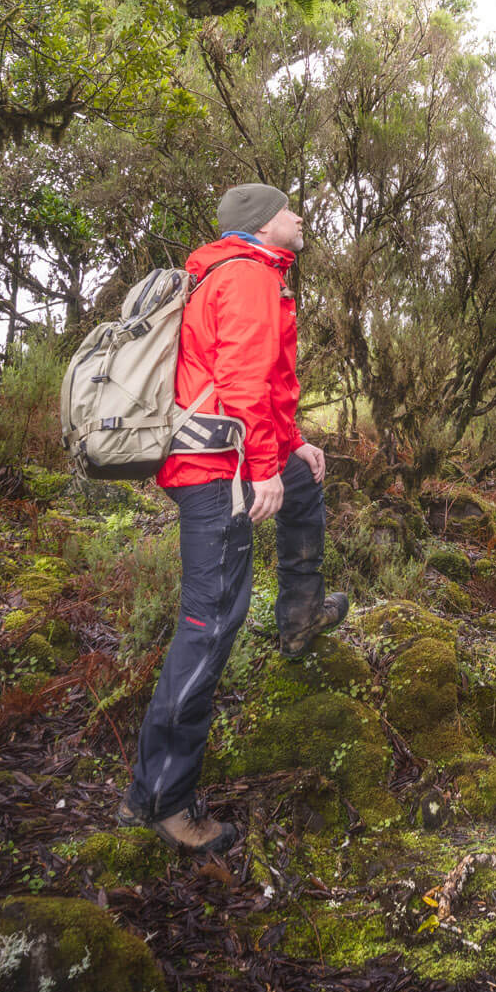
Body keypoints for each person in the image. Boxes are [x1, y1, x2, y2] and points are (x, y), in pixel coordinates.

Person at [118, 182, 348, 856]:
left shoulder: (249, 273)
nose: (300, 215)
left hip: (225, 456)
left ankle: (300, 617)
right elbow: (243, 382)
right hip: (217, 472)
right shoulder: (246, 277)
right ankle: (161, 800)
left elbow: (263, 386)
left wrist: (291, 447)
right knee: (210, 624)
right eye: (290, 207)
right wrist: (259, 470)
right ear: (260, 221)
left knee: (305, 481)